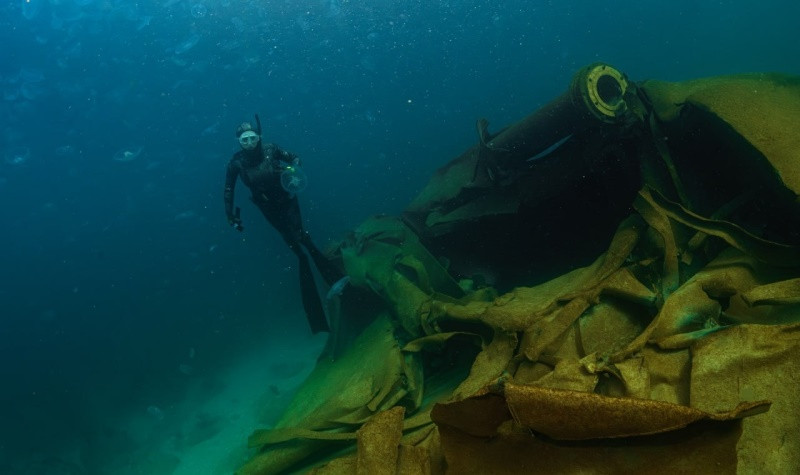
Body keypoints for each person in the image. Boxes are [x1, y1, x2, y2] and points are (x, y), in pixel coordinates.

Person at [224, 114, 341, 333]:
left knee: (302, 236)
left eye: (252, 138)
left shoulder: (271, 149)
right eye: (244, 140)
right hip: (267, 207)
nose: (249, 143)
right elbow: (229, 188)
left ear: (259, 136)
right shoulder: (236, 163)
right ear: (239, 142)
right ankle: (317, 311)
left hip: (287, 200)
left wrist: (293, 170)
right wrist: (229, 214)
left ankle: (334, 278)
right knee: (294, 245)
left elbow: (296, 158)